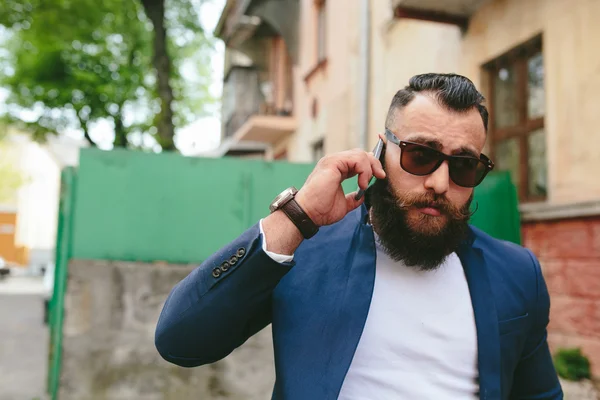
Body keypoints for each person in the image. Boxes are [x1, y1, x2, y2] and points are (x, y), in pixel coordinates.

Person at [155, 73, 563, 399]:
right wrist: (297, 218)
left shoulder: (515, 271)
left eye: (463, 166)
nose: (440, 182)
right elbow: (181, 341)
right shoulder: (307, 248)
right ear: (380, 151)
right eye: (420, 155)